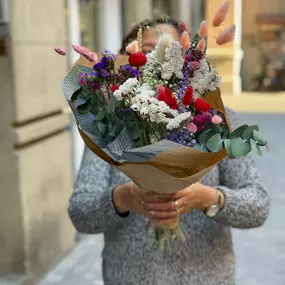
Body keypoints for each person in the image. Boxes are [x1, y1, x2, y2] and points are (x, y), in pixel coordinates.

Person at [68, 17, 270, 285]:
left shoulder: (217, 121)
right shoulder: (108, 129)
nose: (154, 58)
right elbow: (81, 213)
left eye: (167, 49)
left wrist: (207, 197)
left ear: (188, 60)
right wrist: (123, 198)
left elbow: (258, 206)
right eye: (146, 50)